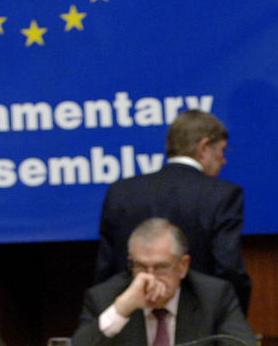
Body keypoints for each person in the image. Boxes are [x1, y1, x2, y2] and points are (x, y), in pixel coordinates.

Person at [94, 109, 252, 313]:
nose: (224, 161)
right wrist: (231, 318)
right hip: (201, 321)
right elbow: (229, 268)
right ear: (204, 147)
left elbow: (106, 271)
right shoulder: (222, 195)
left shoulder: (121, 192)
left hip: (133, 318)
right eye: (222, 150)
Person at [73, 218, 256, 346]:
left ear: (183, 266)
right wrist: (121, 309)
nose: (149, 278)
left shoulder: (214, 296)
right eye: (141, 267)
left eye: (161, 267)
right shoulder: (105, 297)